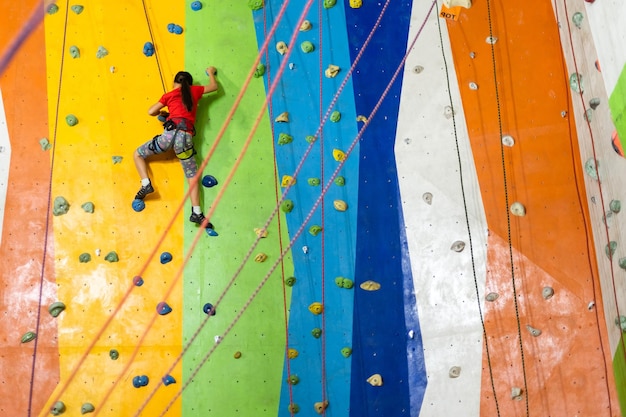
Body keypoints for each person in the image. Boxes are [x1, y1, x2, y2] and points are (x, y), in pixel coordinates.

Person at [133, 68, 218, 228]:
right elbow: (214, 87)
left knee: (138, 154)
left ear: (174, 83)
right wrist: (211, 72)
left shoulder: (169, 95)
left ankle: (146, 184)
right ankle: (197, 212)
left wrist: (165, 111)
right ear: (189, 84)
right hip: (185, 139)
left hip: (168, 136)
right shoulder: (195, 91)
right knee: (192, 176)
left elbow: (151, 111)